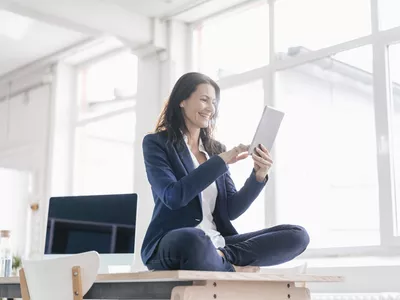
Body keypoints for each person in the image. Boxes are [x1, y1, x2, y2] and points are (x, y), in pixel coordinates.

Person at [141, 72, 310, 272]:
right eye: (204, 100)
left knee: (297, 235)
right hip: (175, 241)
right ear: (182, 101)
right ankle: (233, 267)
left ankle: (224, 260)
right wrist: (221, 161)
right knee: (194, 239)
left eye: (214, 102)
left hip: (217, 243)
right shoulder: (157, 143)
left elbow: (231, 210)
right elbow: (174, 196)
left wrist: (258, 176)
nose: (210, 108)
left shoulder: (215, 149)